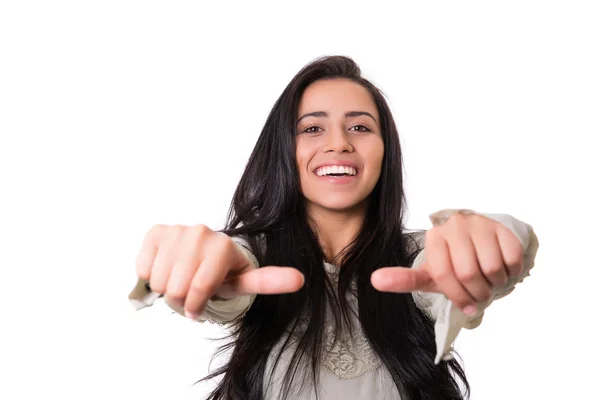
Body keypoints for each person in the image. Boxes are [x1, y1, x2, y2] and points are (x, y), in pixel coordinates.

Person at [129, 55, 539, 400]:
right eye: (312, 128)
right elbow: (227, 272)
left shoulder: (419, 260)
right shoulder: (253, 262)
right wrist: (200, 263)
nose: (339, 142)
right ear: (284, 152)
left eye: (360, 127)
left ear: (385, 153)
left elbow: (460, 264)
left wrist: (500, 238)